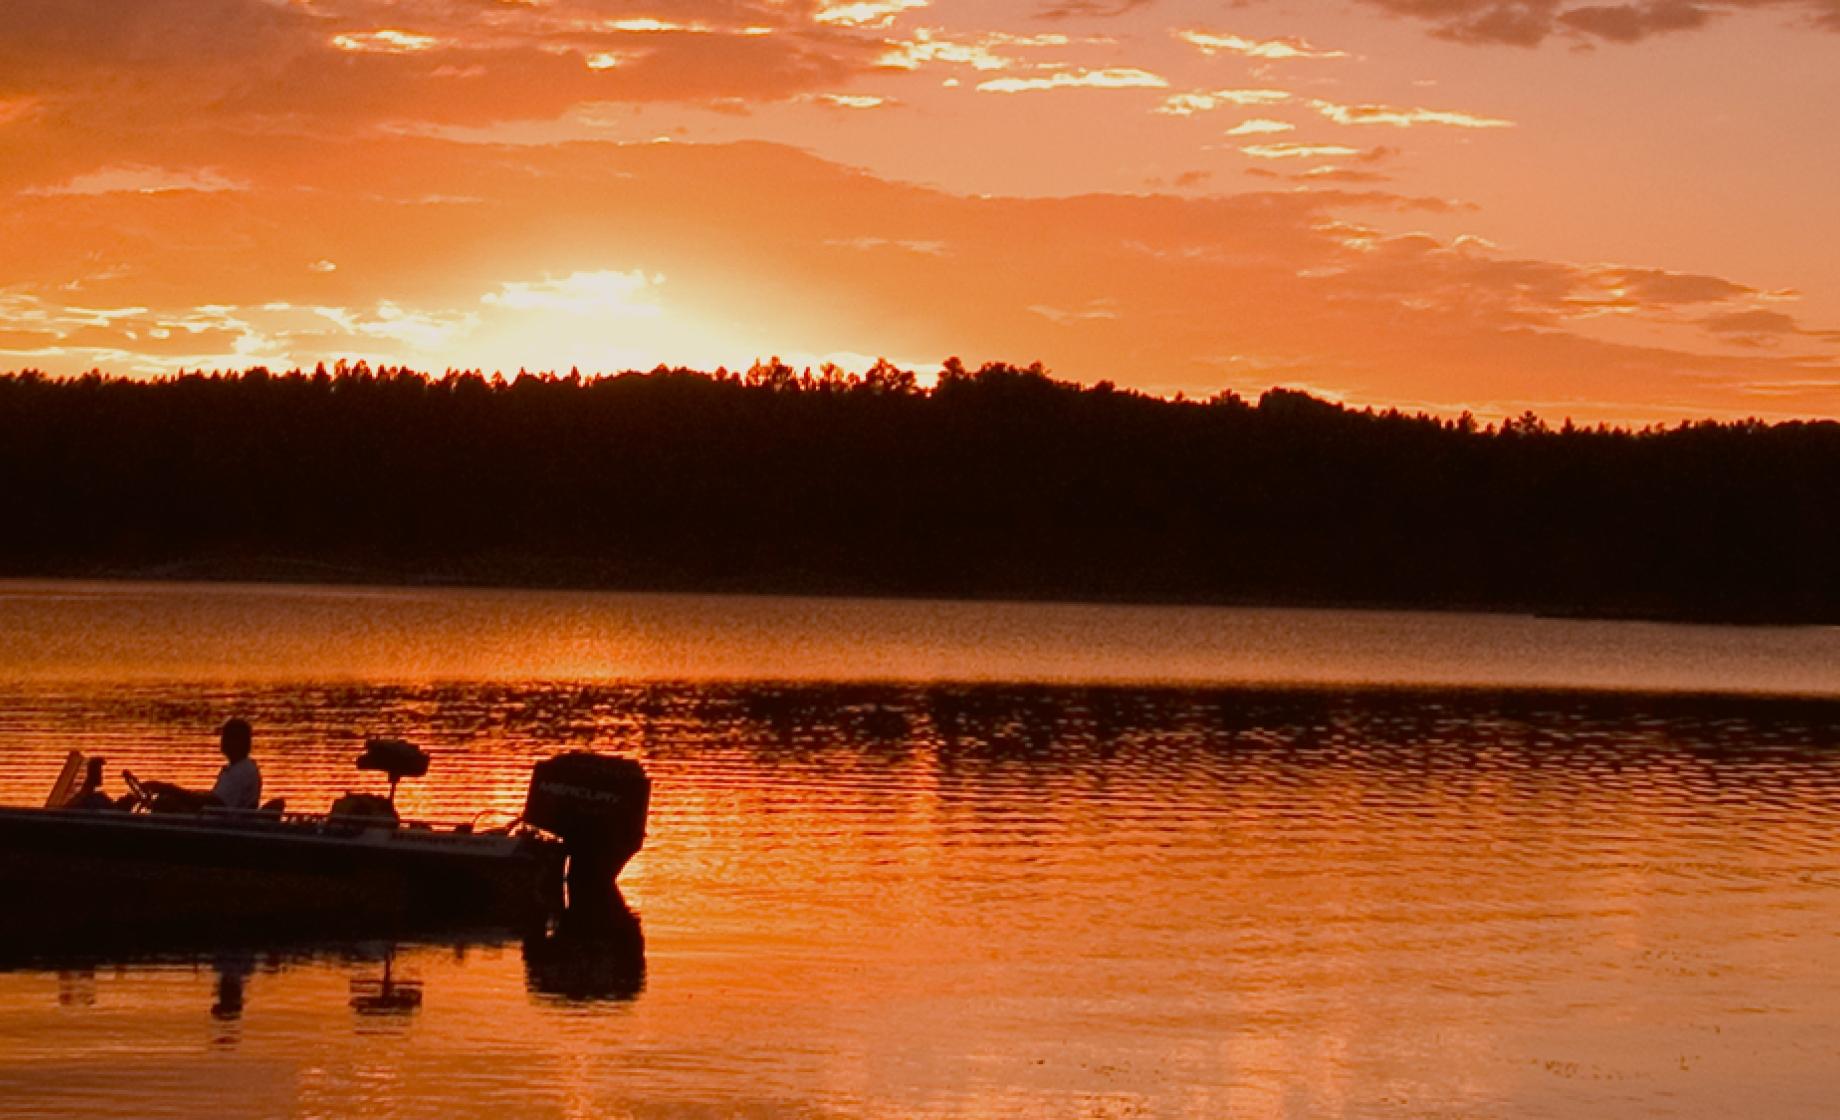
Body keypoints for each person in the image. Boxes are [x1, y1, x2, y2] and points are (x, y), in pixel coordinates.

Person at [128, 718, 264, 813]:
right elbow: (214, 799)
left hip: (220, 827)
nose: (222, 741)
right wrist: (180, 795)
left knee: (166, 805)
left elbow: (215, 803)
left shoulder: (241, 771)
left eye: (227, 737)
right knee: (166, 802)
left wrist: (170, 789)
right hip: (216, 821)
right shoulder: (238, 768)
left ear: (239, 742)